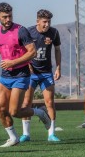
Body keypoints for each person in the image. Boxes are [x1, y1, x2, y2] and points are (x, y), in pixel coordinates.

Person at [0, 3, 51, 147]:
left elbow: (32, 52)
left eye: (10, 16)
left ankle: (40, 112)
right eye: (4, 17)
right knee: (1, 109)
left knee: (15, 111)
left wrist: (12, 63)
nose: (8, 19)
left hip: (21, 75)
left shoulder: (21, 30)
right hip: (4, 76)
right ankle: (13, 138)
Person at [19, 9, 62, 143]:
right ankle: (26, 134)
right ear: (37, 21)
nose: (47, 24)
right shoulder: (28, 32)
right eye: (44, 22)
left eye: (49, 21)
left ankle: (51, 134)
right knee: (26, 103)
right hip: (30, 73)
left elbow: (57, 49)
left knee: (49, 102)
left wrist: (58, 67)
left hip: (46, 73)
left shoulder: (54, 32)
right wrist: (27, 64)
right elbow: (21, 50)